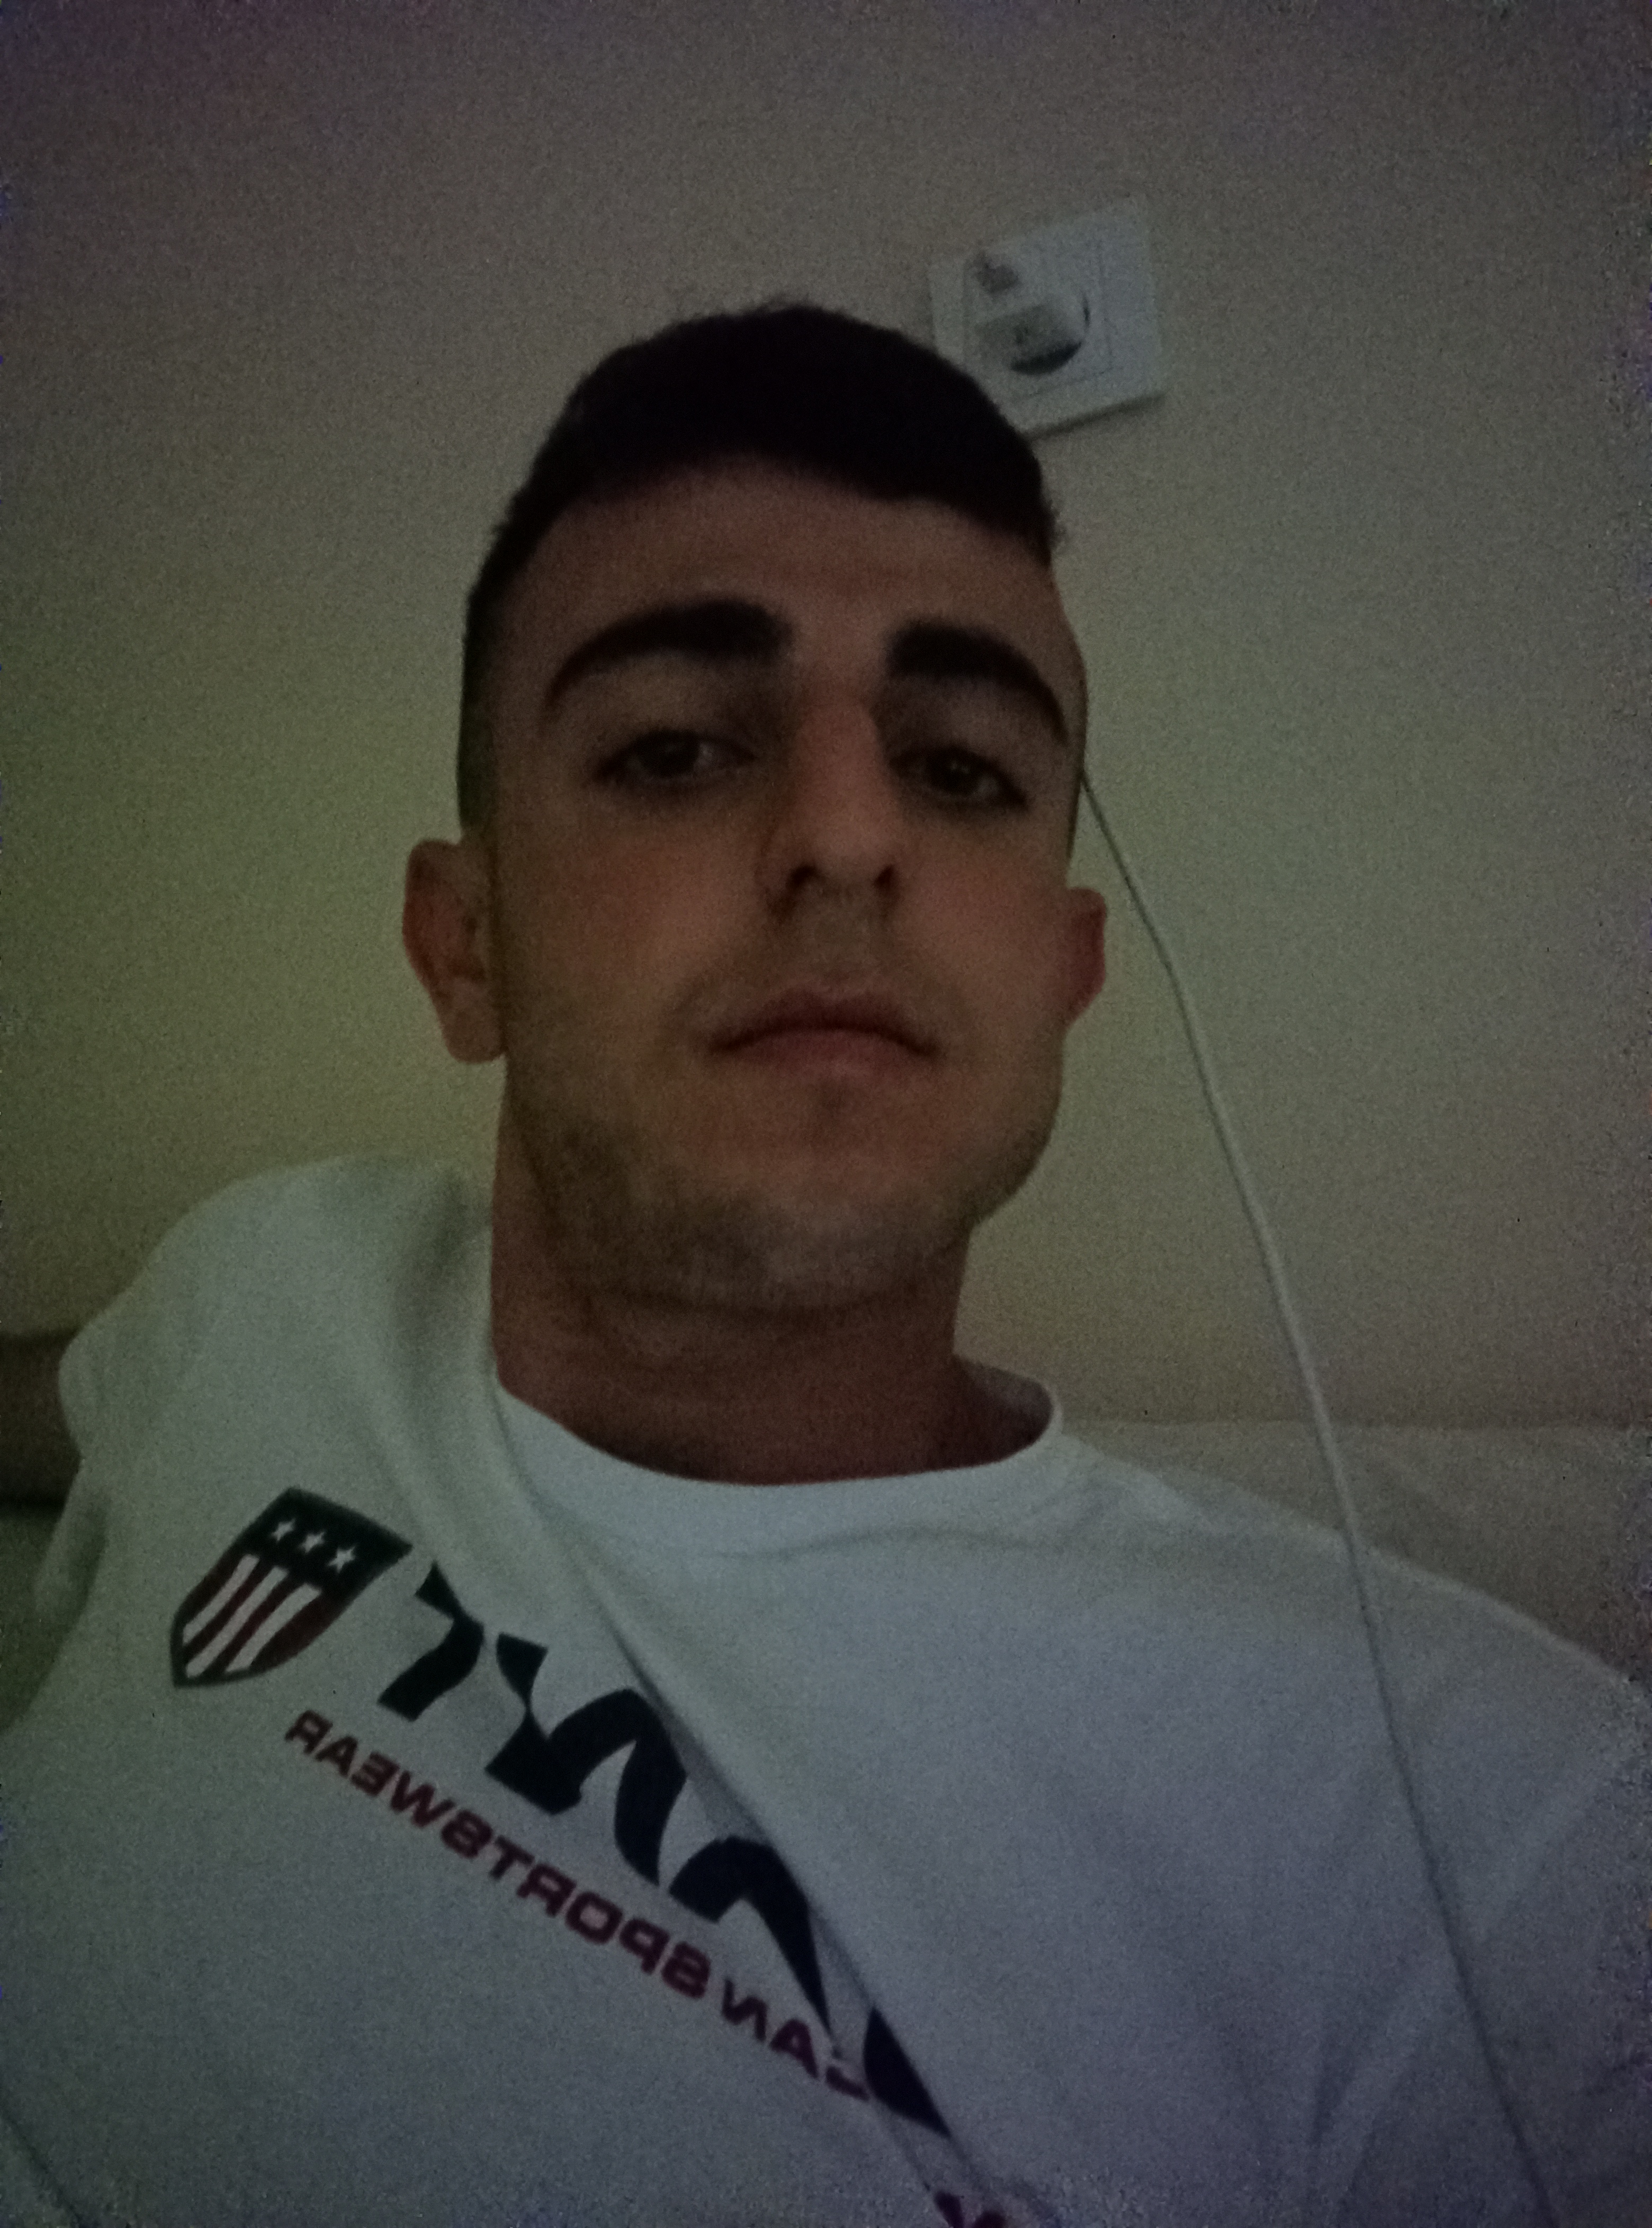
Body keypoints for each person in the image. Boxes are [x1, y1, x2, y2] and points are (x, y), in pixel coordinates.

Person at [0, 301, 1646, 2228]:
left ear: (1063, 979)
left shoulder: (1502, 1839)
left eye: (962, 770)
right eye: (676, 747)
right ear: (467, 949)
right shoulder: (266, 1278)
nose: (851, 834)